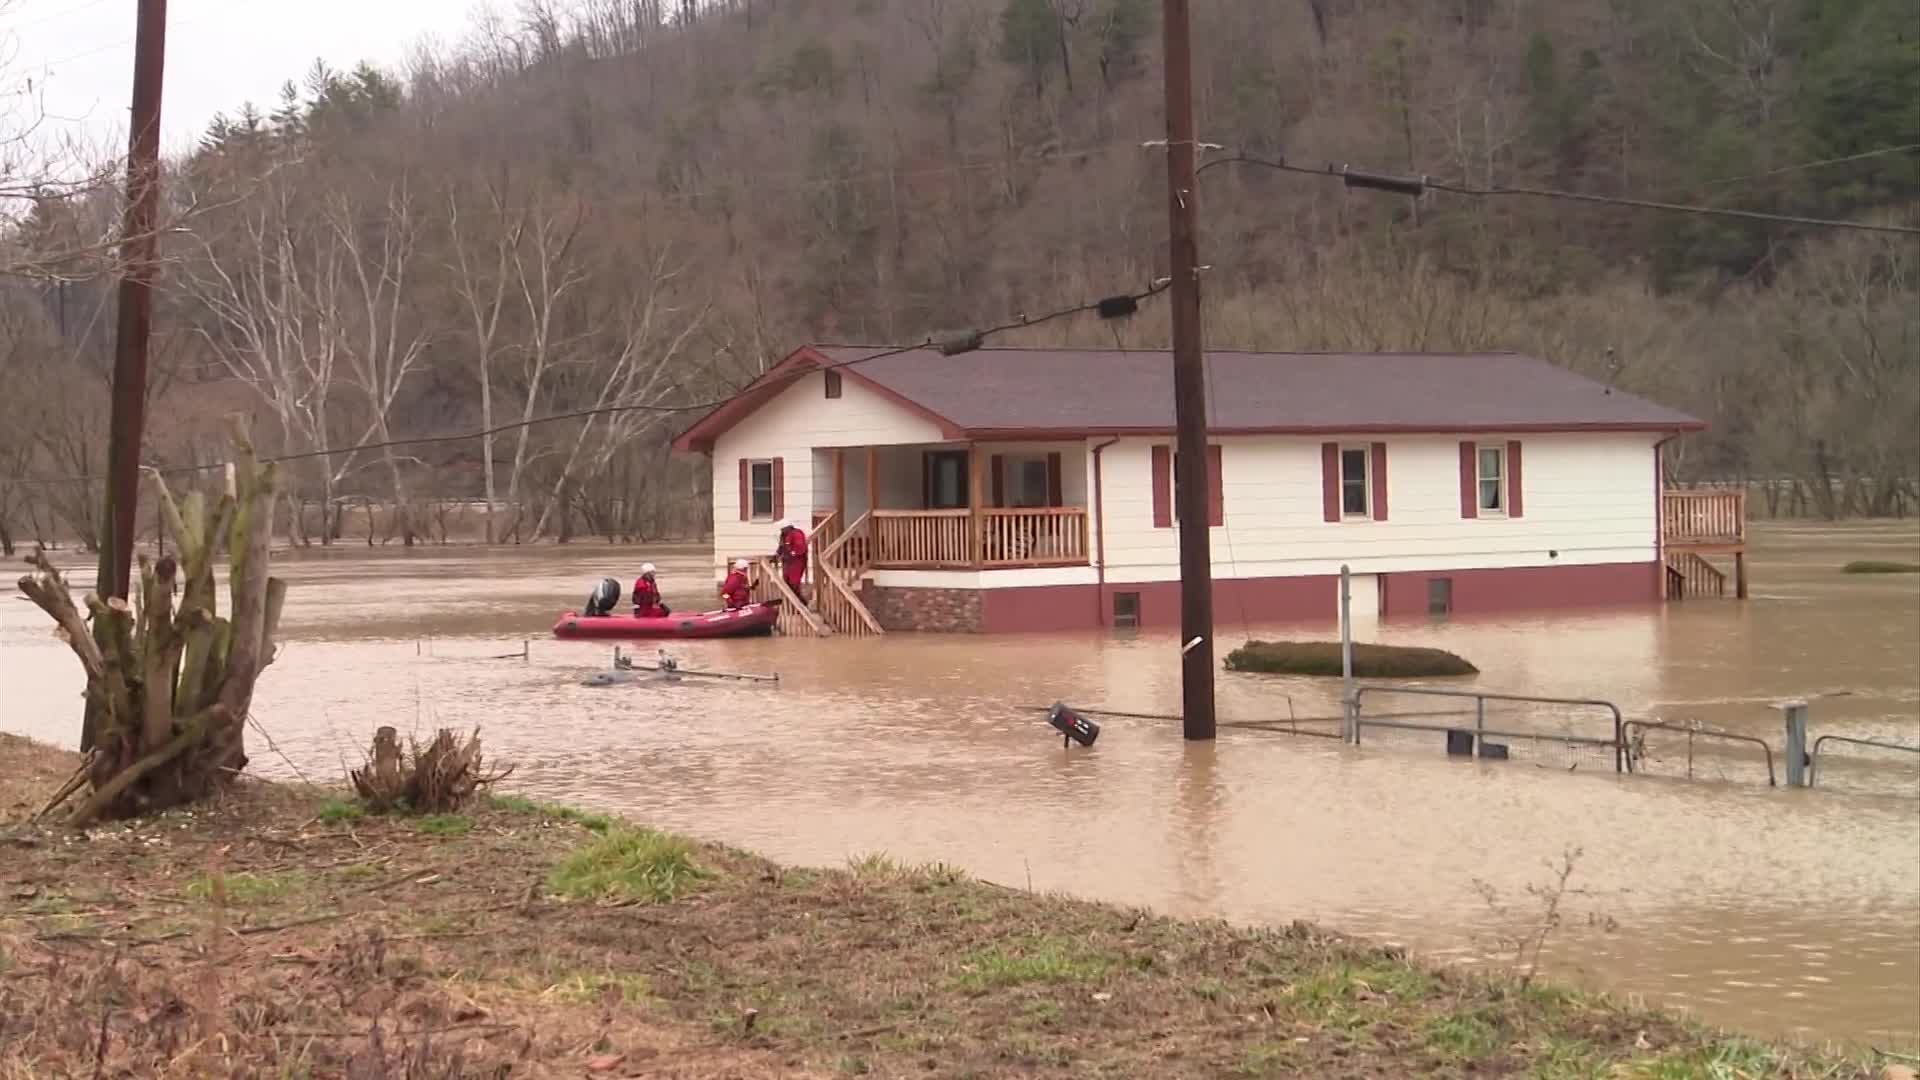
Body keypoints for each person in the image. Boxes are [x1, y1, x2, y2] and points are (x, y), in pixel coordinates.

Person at [774, 520, 809, 600]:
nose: (781, 530)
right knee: (786, 581)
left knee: (794, 583)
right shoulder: (783, 535)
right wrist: (777, 554)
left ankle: (800, 602)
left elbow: (800, 548)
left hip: (797, 561)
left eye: (782, 529)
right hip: (787, 562)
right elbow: (781, 546)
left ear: (787, 527)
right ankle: (791, 602)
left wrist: (791, 553)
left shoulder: (796, 534)